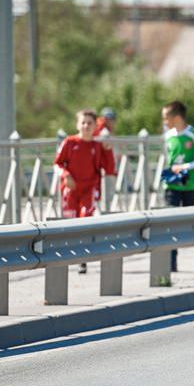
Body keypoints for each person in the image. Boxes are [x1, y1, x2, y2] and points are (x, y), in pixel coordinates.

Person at [55, 109, 117, 273]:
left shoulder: (97, 146)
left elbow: (109, 169)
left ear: (95, 125)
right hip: (71, 189)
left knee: (85, 218)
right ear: (77, 124)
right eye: (83, 122)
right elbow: (58, 164)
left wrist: (108, 149)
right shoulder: (70, 142)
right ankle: (69, 255)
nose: (86, 126)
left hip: (89, 189)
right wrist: (66, 175)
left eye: (89, 123)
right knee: (70, 222)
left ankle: (82, 258)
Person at [161, 100, 194, 270]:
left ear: (176, 117)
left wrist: (186, 167)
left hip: (190, 186)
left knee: (191, 226)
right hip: (172, 187)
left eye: (166, 118)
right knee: (170, 224)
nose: (164, 122)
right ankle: (171, 263)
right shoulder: (168, 136)